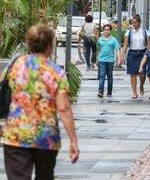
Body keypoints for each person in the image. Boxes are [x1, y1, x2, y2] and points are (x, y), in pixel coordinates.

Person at [0, 24, 79, 180]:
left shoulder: (15, 65)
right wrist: (73, 140)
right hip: (46, 137)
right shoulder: (56, 72)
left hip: (16, 134)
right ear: (50, 45)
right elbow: (63, 109)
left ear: (29, 44)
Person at [121, 14, 148, 99]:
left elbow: (149, 45)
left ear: (139, 22)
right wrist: (122, 55)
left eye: (135, 22)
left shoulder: (145, 32)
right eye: (132, 23)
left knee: (142, 74)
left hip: (143, 53)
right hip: (132, 53)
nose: (133, 24)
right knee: (133, 73)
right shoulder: (128, 33)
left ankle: (141, 86)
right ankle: (134, 92)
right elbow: (125, 45)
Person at [97, 24, 121, 98]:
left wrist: (119, 58)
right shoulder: (100, 39)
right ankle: (100, 91)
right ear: (103, 31)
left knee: (110, 76)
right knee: (102, 75)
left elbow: (117, 49)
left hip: (110, 60)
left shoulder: (113, 39)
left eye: (108, 30)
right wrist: (97, 59)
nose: (106, 31)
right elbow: (98, 50)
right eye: (105, 30)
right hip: (102, 60)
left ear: (110, 31)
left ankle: (109, 92)